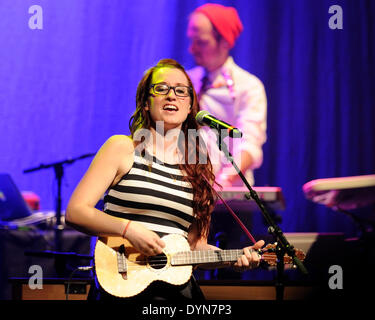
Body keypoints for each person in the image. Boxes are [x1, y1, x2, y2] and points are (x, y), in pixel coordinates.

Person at [66, 59, 265, 301]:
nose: (172, 96)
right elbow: (76, 211)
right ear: (146, 102)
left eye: (181, 91)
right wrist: (128, 229)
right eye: (161, 89)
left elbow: (195, 248)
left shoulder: (199, 170)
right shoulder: (121, 148)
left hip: (176, 295)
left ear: (190, 104)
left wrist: (233, 258)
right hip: (122, 288)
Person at [187, 3, 267, 187]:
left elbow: (250, 143)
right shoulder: (186, 81)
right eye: (192, 41)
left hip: (230, 198)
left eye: (201, 42)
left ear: (225, 42)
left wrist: (226, 178)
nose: (192, 49)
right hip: (187, 195)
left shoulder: (248, 86)